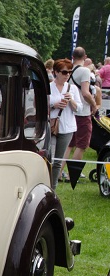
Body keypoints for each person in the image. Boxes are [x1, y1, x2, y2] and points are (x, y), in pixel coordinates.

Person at [64, 47, 98, 179]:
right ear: (85, 57)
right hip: (82, 112)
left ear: (72, 57)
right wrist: (94, 105)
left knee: (69, 144)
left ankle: (59, 172)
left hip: (70, 112)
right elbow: (85, 93)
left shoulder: (68, 70)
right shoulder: (85, 71)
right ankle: (72, 175)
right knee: (82, 144)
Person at [49, 59, 82, 188]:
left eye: (69, 72)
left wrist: (71, 100)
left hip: (67, 127)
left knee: (58, 161)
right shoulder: (49, 87)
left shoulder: (72, 88)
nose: (67, 75)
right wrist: (54, 105)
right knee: (50, 158)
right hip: (51, 126)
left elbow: (79, 108)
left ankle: (53, 188)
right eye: (64, 72)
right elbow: (38, 105)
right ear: (56, 72)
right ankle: (45, 184)